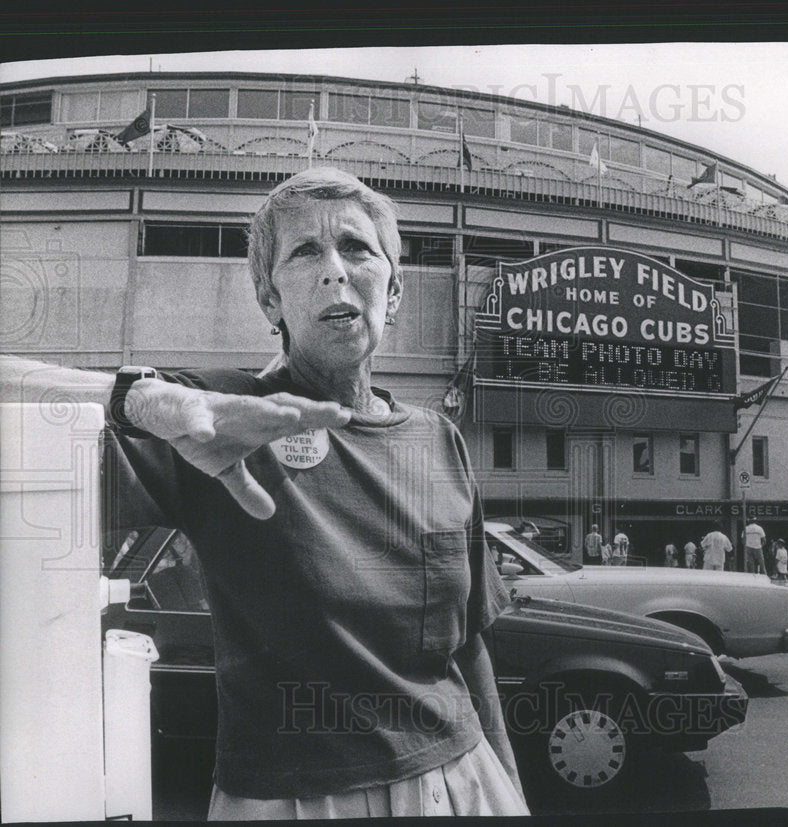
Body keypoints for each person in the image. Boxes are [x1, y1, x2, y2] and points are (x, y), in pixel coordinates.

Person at [1, 167, 528, 819]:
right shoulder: (218, 416)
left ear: (393, 292)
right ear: (269, 297)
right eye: (306, 251)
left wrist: (509, 788)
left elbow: (470, 644)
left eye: (358, 248)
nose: (335, 269)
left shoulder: (438, 438)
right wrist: (139, 397)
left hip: (465, 779)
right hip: (301, 800)